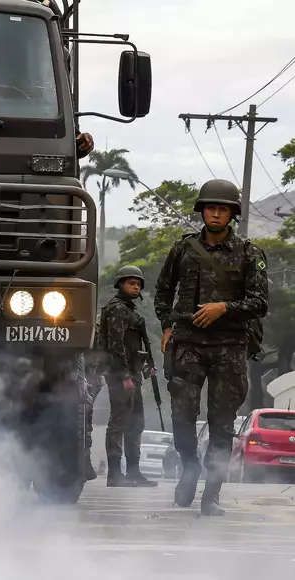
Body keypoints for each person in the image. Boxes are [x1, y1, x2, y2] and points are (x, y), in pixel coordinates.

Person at [154, 178, 269, 516]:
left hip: (229, 345)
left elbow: (259, 302)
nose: (216, 213)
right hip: (188, 342)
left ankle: (212, 494)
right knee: (182, 414)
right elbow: (162, 291)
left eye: (222, 208)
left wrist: (224, 308)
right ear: (202, 211)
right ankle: (189, 465)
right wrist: (166, 325)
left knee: (222, 423)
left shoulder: (249, 252)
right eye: (210, 207)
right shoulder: (183, 248)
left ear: (232, 213)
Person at [101, 266, 158, 488]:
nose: (135, 287)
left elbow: (131, 346)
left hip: (133, 373)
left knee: (136, 423)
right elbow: (116, 345)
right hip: (120, 374)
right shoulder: (117, 309)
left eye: (138, 284)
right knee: (119, 422)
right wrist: (124, 375)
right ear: (120, 285)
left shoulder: (130, 310)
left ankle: (133, 472)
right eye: (130, 283)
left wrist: (143, 367)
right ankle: (114, 475)